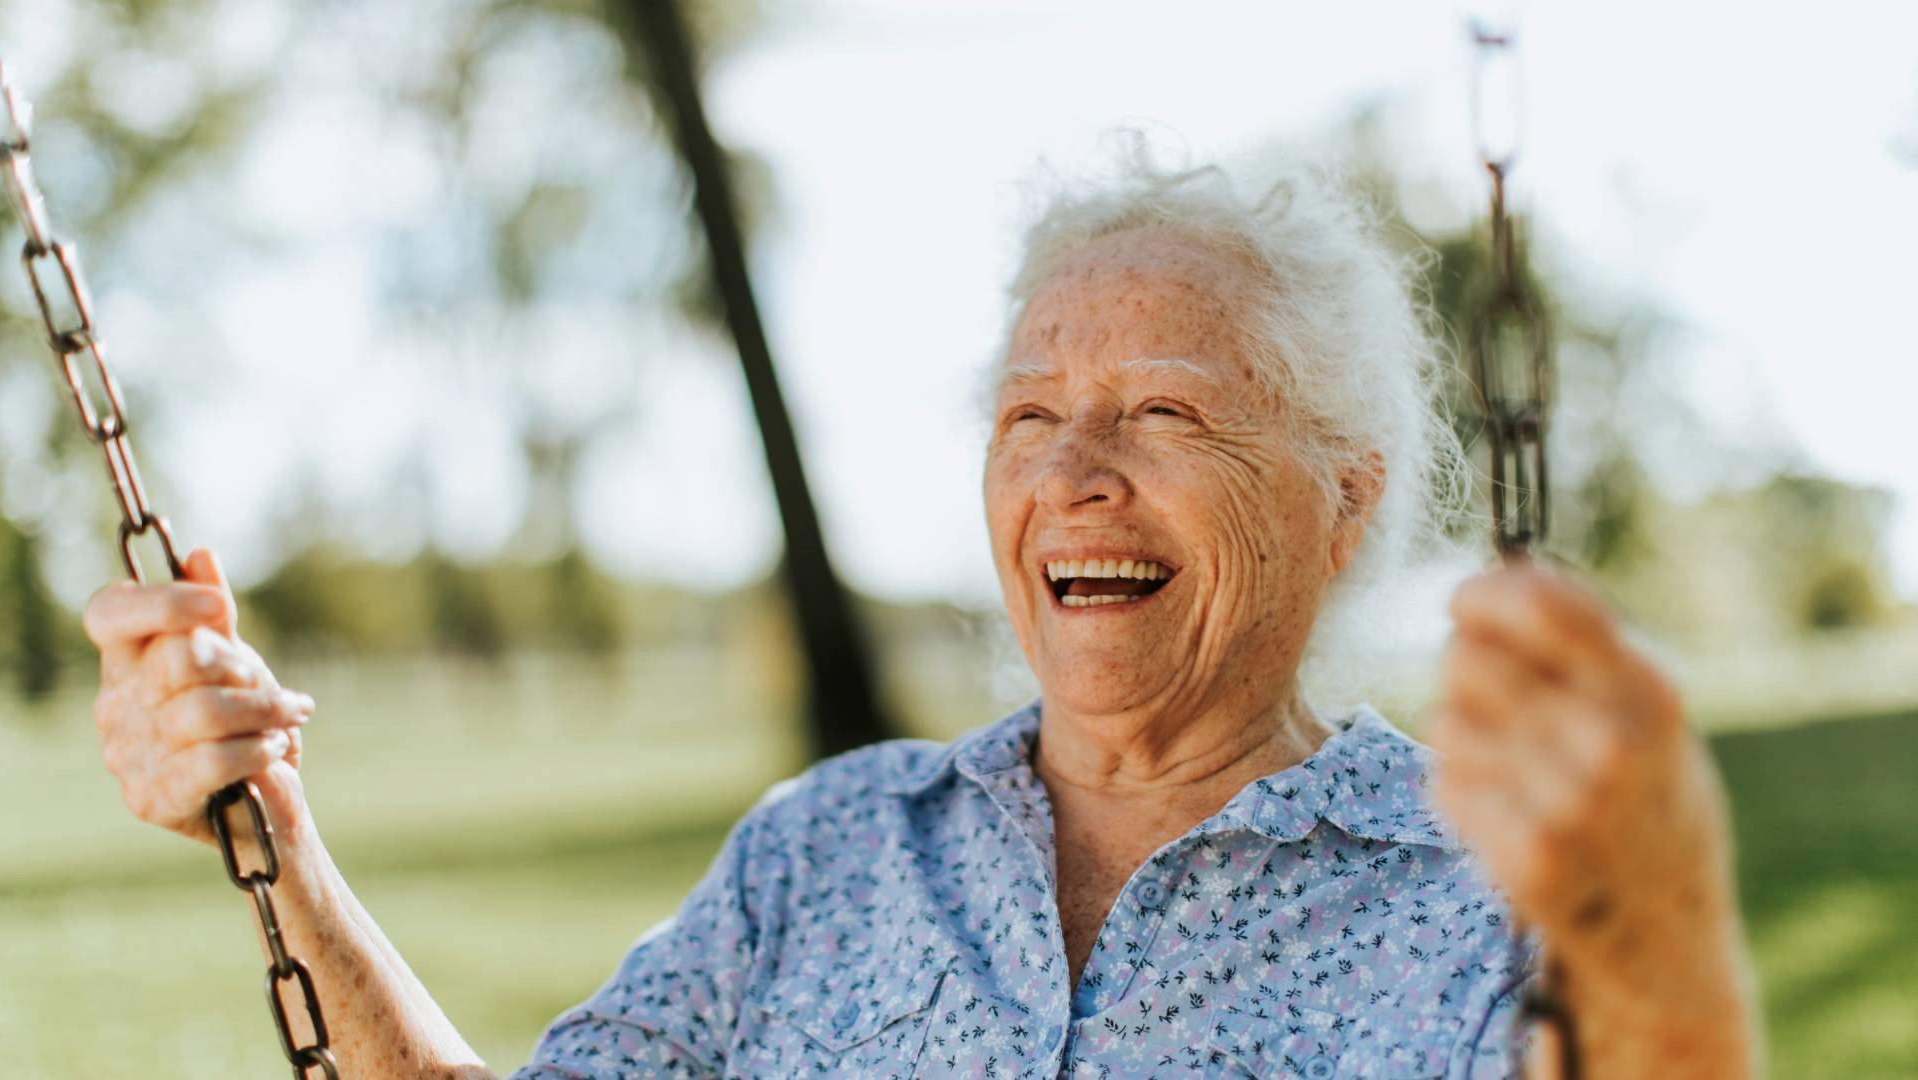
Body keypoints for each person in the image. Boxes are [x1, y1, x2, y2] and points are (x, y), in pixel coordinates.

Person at [84, 144, 1759, 1078]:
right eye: (1029, 417)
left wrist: (1666, 952)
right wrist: (280, 841)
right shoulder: (826, 855)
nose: (1075, 475)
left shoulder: (1490, 896)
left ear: (1345, 501)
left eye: (1165, 414)